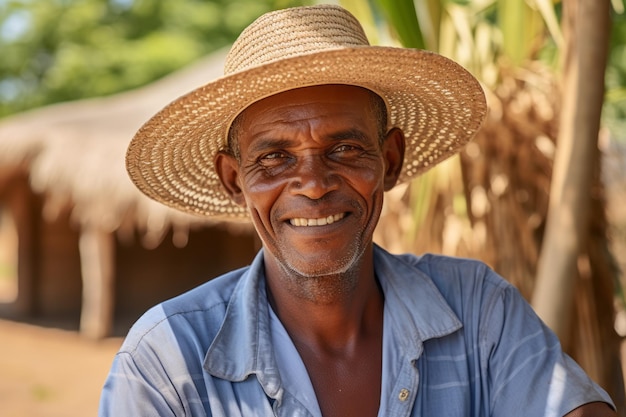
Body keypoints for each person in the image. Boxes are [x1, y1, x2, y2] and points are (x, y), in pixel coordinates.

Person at [100, 4, 617, 417]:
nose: (314, 185)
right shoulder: (167, 360)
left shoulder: (479, 311)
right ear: (235, 181)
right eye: (274, 157)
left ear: (390, 161)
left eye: (345, 149)